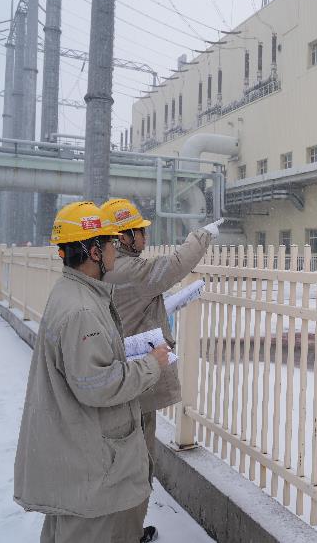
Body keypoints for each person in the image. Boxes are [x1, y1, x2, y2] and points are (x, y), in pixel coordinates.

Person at [14, 201, 170, 543]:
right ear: (94, 251)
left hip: (79, 462)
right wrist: (150, 364)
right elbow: (98, 385)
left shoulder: (75, 293)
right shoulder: (82, 310)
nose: (116, 249)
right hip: (92, 472)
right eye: (111, 243)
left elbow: (86, 366)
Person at [101, 198, 221, 543]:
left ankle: (125, 531)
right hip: (133, 386)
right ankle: (126, 536)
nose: (144, 238)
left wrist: (164, 306)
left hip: (126, 380)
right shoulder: (125, 270)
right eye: (139, 231)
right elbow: (171, 267)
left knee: (129, 465)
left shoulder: (113, 270)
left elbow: (133, 307)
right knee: (137, 468)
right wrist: (202, 235)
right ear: (123, 237)